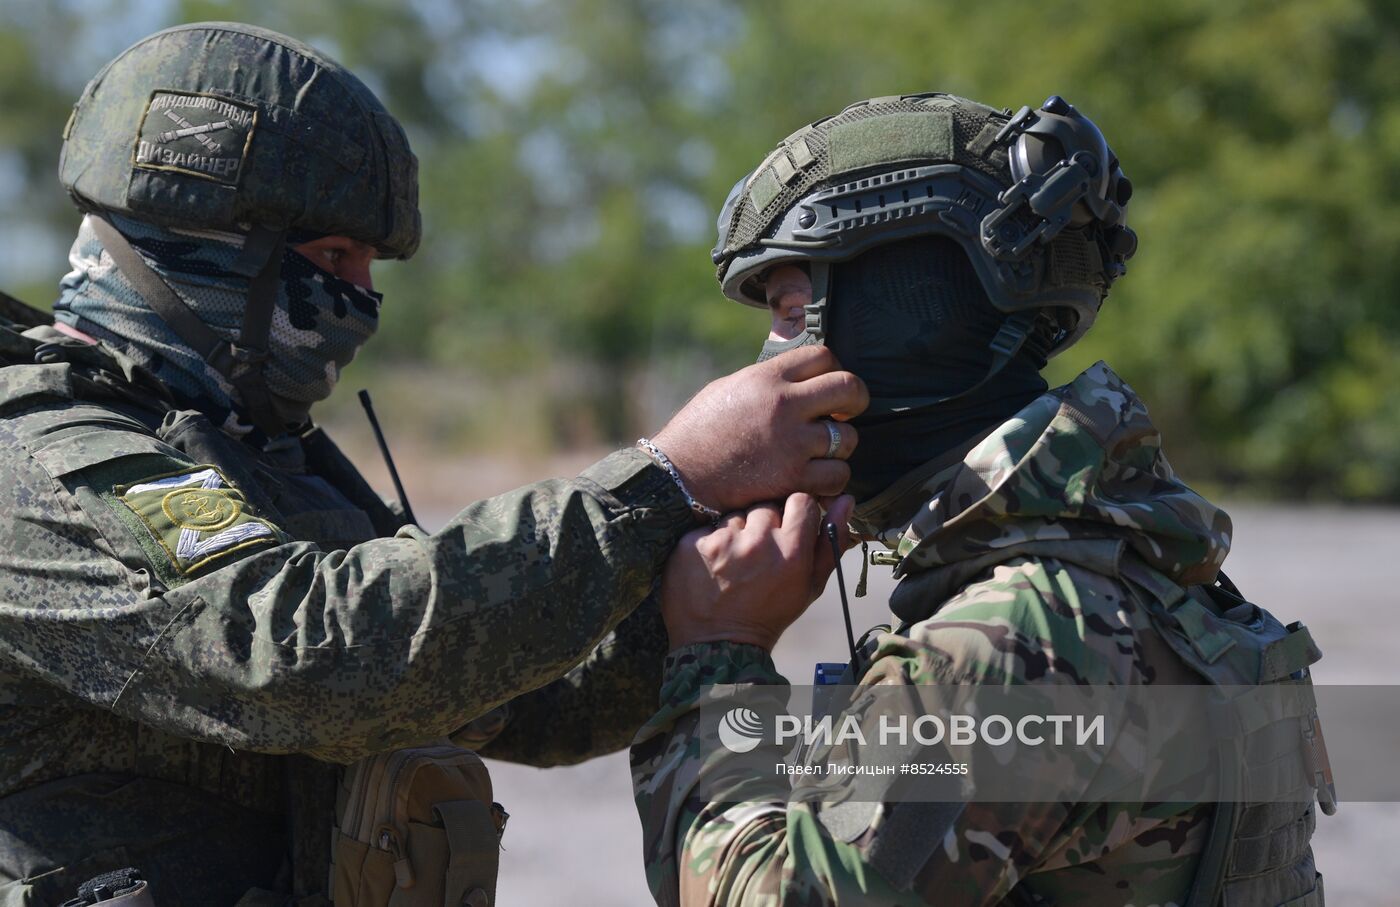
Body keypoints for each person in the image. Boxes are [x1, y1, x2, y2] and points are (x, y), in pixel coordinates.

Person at [0, 22, 870, 906]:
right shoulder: (37, 451)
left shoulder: (255, 454)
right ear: (206, 247)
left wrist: (706, 587)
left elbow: (519, 695)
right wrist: (664, 480)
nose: (364, 300)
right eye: (334, 258)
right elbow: (308, 660)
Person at [632, 92, 1332, 905]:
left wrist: (716, 651)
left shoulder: (1009, 634)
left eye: (793, 313)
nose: (766, 366)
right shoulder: (1131, 551)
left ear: (911, 317)